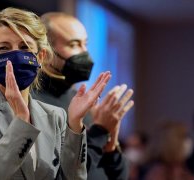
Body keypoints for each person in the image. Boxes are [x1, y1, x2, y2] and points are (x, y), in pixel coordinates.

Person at [0, 7, 112, 180]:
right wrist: (22, 122)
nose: (15, 54)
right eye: (4, 48)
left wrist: (75, 124)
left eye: (25, 47)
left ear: (40, 58)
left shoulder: (56, 116)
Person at [31, 12, 134, 180]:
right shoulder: (31, 103)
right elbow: (65, 174)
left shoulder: (81, 100)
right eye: (74, 44)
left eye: (85, 44)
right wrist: (100, 131)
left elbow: (119, 176)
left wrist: (111, 142)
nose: (85, 53)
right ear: (45, 51)